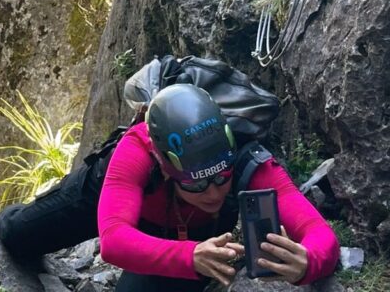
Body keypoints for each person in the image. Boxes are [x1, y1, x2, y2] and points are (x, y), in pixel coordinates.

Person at [98, 85, 339, 291]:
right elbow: (113, 240)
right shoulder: (138, 151)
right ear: (165, 169)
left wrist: (308, 261)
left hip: (192, 231)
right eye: (197, 184)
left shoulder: (249, 162)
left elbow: (319, 232)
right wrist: (188, 256)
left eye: (223, 178)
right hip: (117, 199)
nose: (214, 193)